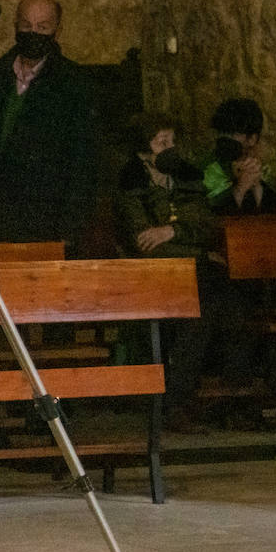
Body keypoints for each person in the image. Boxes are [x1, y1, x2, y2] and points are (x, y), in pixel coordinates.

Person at [113, 112, 253, 432]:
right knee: (200, 314)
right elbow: (144, 241)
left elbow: (207, 225)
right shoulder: (130, 184)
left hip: (196, 270)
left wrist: (172, 232)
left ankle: (234, 400)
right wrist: (184, 238)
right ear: (143, 151)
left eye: (172, 141)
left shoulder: (187, 178)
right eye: (161, 142)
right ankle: (178, 403)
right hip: (156, 275)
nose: (169, 148)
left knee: (235, 309)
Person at [0, 0, 97, 245]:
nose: (32, 33)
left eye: (42, 27)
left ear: (57, 30)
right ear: (16, 25)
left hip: (44, 217)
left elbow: (83, 161)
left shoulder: (73, 85)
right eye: (26, 25)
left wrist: (69, 229)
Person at [203, 97, 276, 214]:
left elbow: (275, 217)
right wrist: (241, 187)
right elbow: (210, 216)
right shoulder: (210, 169)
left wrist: (256, 185)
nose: (225, 138)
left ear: (252, 139)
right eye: (222, 132)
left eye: (233, 133)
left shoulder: (266, 172)